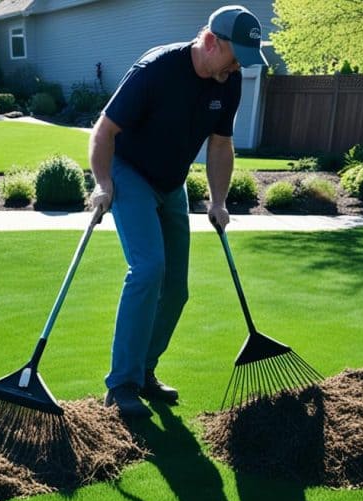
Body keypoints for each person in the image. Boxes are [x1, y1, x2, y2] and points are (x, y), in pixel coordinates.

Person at [89, 5, 268, 418]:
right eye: (235, 53)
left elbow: (220, 145)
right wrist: (103, 184)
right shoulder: (156, 69)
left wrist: (218, 200)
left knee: (177, 289)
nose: (239, 64)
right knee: (148, 268)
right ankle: (121, 386)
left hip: (172, 183)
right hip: (129, 172)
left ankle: (145, 371)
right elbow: (104, 131)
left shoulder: (230, 80)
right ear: (210, 42)